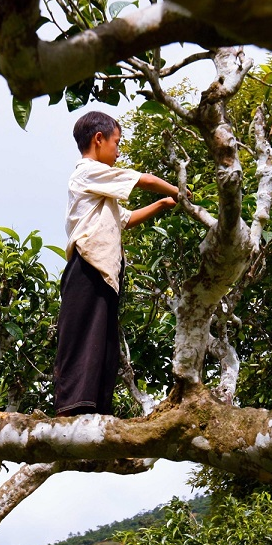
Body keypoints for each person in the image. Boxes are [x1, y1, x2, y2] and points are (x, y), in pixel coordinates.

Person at [53, 110, 184, 416]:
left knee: (103, 342)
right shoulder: (87, 172)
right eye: (117, 143)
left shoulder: (101, 191)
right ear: (98, 139)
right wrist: (179, 190)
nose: (118, 151)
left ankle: (96, 410)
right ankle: (72, 408)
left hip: (104, 273)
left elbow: (125, 219)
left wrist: (163, 203)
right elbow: (144, 180)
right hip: (87, 267)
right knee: (82, 337)